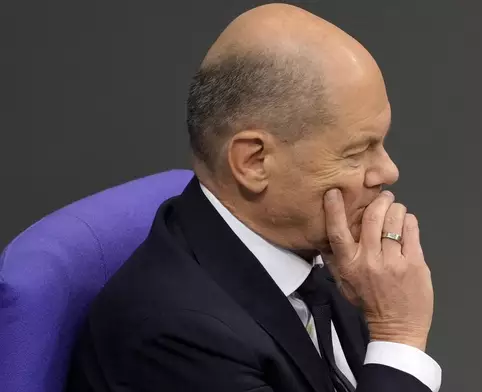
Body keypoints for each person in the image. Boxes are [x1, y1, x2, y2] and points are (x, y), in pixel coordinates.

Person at [66, 3, 441, 392]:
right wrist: (398, 335)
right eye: (356, 151)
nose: (388, 171)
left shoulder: (323, 259)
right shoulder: (172, 335)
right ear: (253, 162)